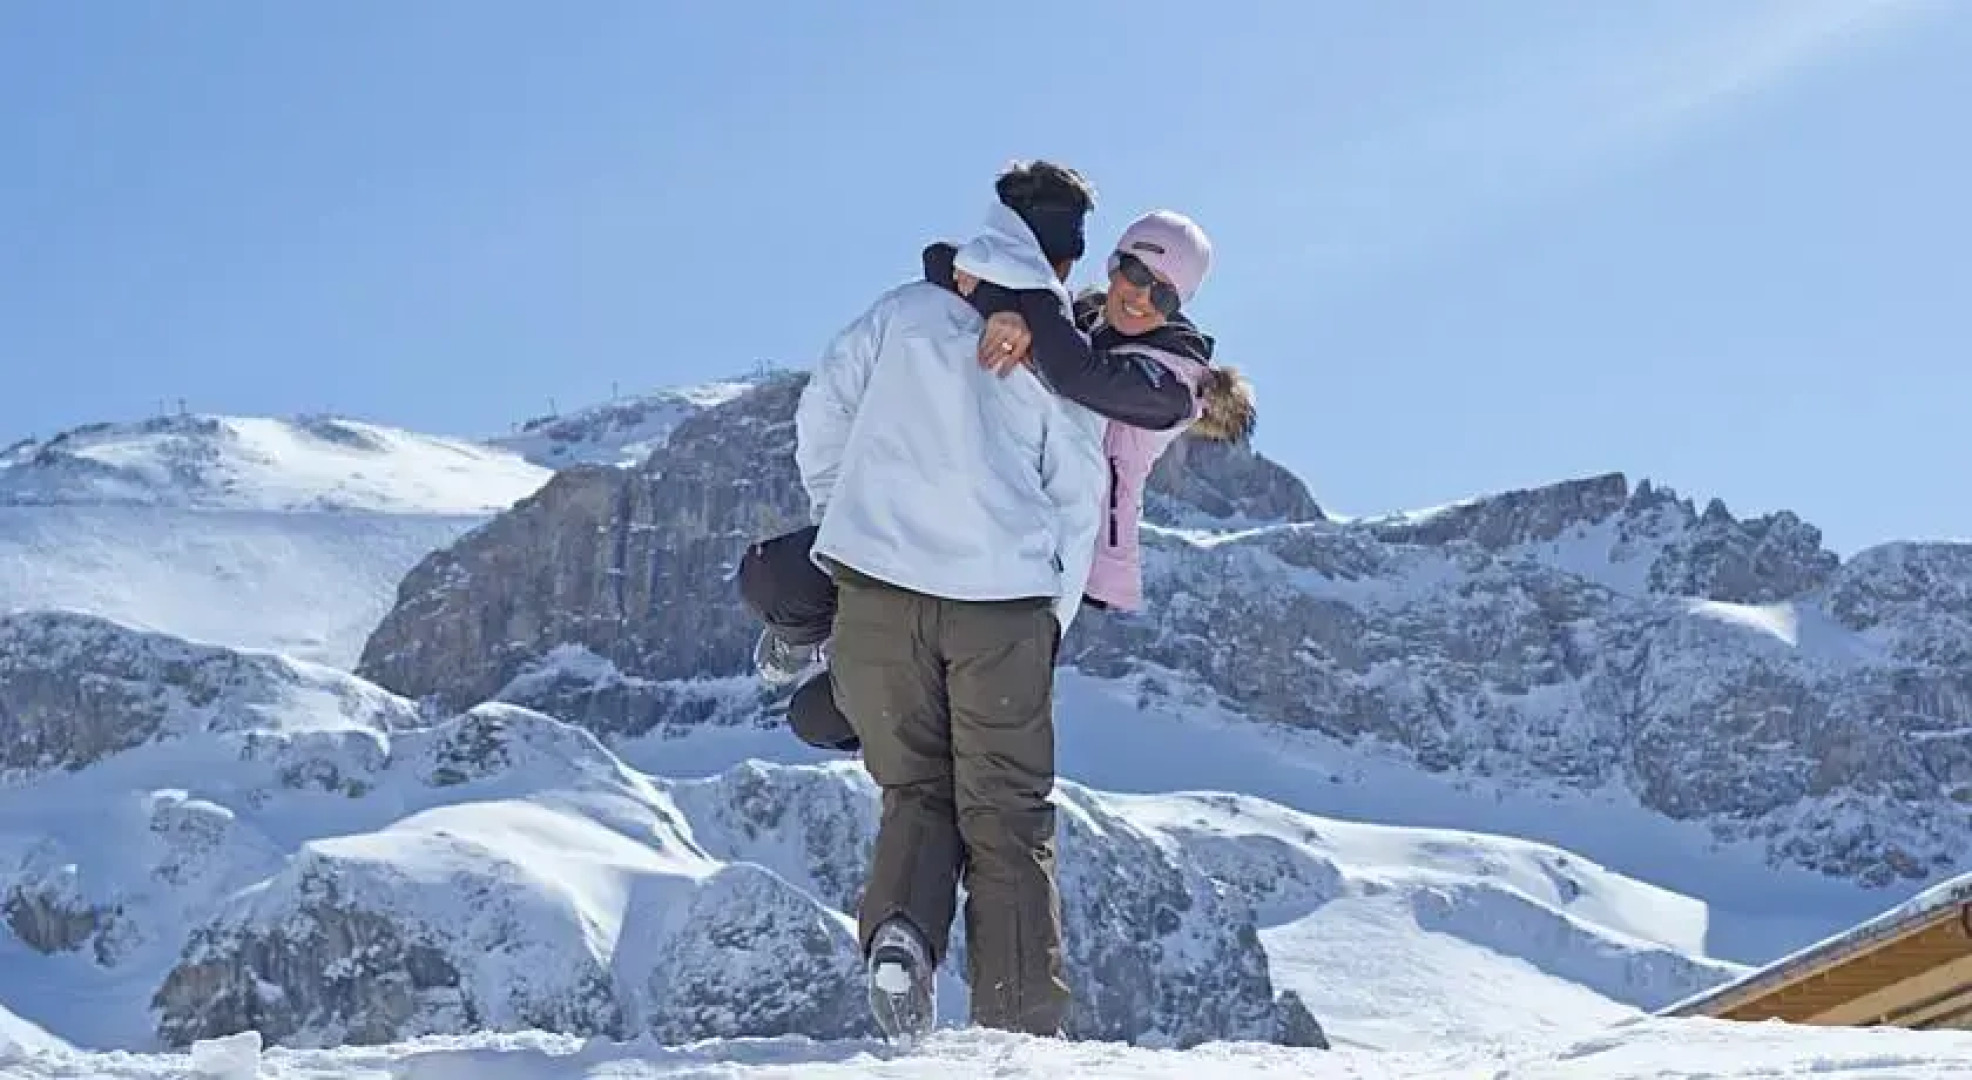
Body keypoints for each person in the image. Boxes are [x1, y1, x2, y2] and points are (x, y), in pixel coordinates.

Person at [790, 160, 1106, 1042]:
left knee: (916, 790)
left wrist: (846, 527)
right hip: (999, 606)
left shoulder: (901, 314)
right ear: (1067, 252)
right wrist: (1051, 620)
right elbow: (1078, 497)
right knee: (1005, 817)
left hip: (878, 596)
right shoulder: (1052, 354)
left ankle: (901, 936)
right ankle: (1017, 1036)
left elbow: (823, 416)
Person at [741, 208, 1253, 747]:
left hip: (1039, 567)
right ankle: (821, 636)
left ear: (1180, 308)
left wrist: (1011, 302)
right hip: (958, 511)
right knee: (774, 577)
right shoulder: (1075, 321)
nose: (1141, 296)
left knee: (818, 717)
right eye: (1135, 272)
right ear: (1114, 264)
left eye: (1164, 295)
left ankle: (913, 728)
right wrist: (1007, 301)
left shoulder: (1174, 383)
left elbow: (1076, 375)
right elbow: (942, 261)